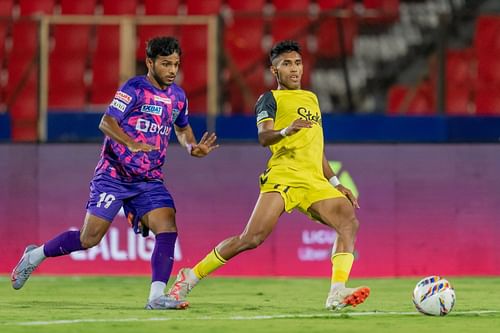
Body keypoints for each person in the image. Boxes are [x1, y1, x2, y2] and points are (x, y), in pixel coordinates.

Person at [10, 36, 218, 310]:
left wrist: (192, 146)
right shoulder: (134, 88)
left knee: (167, 227)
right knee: (89, 238)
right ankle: (34, 255)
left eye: (176, 64)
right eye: (166, 64)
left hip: (149, 179)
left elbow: (182, 128)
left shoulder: (178, 96)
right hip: (114, 175)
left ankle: (156, 297)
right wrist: (130, 142)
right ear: (150, 62)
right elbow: (106, 122)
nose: (171, 70)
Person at [166, 40, 369, 311]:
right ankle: (189, 277)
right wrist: (286, 131)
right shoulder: (269, 99)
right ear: (275, 71)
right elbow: (264, 137)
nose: (294, 69)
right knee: (251, 238)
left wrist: (335, 182)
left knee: (348, 220)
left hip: (314, 180)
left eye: (297, 62)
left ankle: (336, 291)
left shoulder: (311, 98)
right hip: (284, 176)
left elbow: (316, 148)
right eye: (287, 64)